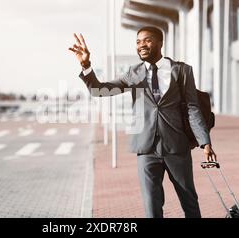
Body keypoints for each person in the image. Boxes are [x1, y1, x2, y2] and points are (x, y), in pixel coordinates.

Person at [68, 26, 217, 218]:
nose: (141, 45)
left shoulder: (181, 70)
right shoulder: (134, 73)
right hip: (146, 149)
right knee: (151, 207)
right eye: (138, 42)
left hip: (177, 147)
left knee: (189, 202)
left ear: (160, 43)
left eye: (147, 40)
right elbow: (100, 90)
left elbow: (192, 108)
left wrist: (205, 142)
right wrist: (86, 65)